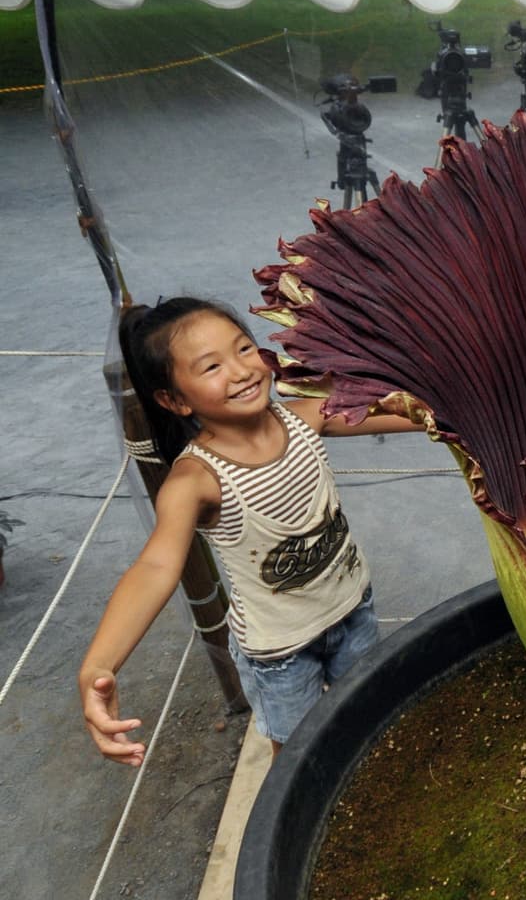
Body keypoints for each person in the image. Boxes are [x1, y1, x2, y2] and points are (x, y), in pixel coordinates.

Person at [80, 297, 420, 765]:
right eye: (212, 366)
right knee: (298, 758)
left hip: (352, 610)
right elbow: (156, 566)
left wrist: (463, 413)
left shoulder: (305, 417)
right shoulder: (195, 480)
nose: (241, 371)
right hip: (280, 653)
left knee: (368, 713)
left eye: (243, 349)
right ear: (174, 400)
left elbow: (412, 413)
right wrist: (99, 664)